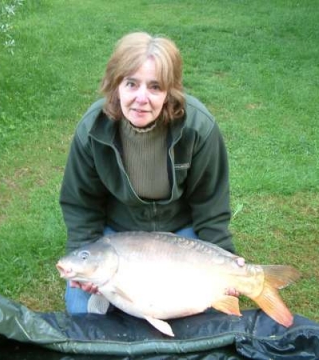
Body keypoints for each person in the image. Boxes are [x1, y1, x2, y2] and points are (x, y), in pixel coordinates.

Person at [60, 32, 242, 315]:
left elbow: (211, 204)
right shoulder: (92, 130)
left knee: (209, 312)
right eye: (131, 84)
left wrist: (226, 262)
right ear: (115, 84)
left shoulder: (198, 128)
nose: (141, 98)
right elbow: (81, 204)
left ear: (170, 91)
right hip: (118, 235)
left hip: (181, 233)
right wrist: (87, 259)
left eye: (155, 87)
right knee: (82, 311)